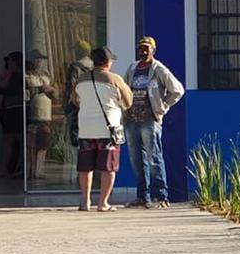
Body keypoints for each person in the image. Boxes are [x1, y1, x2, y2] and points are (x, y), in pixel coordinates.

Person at [123, 36, 186, 209]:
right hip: (131, 120)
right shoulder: (132, 68)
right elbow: (124, 89)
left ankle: (161, 196)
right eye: (141, 48)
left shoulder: (159, 69)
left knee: (154, 158)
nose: (143, 51)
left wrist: (163, 106)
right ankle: (142, 196)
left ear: (153, 50)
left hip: (150, 121)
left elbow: (177, 90)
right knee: (137, 160)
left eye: (147, 48)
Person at [72, 46, 132, 212]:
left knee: (85, 167)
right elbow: (128, 102)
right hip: (108, 130)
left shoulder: (81, 79)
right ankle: (103, 203)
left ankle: (85, 201)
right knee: (108, 168)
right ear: (108, 62)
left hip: (85, 129)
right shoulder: (115, 79)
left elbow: (75, 100)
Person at [24, 56, 56, 180]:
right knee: (31, 145)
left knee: (43, 145)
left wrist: (51, 90)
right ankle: (31, 171)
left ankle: (38, 171)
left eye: (41, 60)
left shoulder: (46, 76)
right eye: (36, 59)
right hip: (32, 115)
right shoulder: (27, 77)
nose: (38, 62)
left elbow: (55, 92)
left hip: (45, 115)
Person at [0, 51, 25, 177]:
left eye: (10, 60)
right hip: (13, 109)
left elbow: (12, 91)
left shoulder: (17, 76)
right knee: (17, 140)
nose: (8, 63)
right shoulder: (16, 75)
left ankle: (7, 168)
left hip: (14, 109)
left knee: (10, 139)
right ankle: (16, 168)